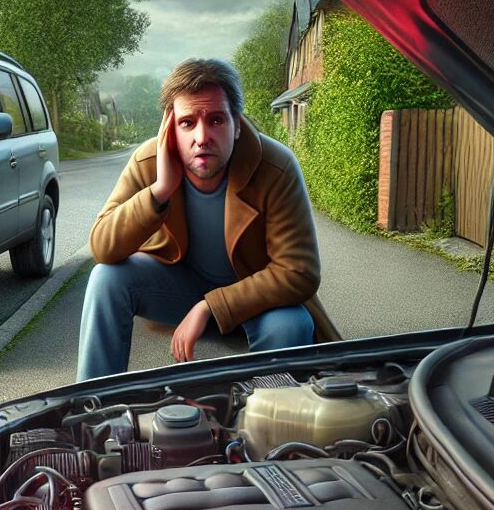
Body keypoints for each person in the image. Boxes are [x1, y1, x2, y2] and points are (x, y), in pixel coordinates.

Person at [76, 58, 340, 381]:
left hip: (256, 301)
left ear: (237, 124)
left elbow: (300, 272)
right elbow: (102, 245)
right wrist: (159, 191)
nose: (202, 137)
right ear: (170, 128)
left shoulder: (277, 167)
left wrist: (211, 306)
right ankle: (92, 407)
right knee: (106, 278)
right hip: (180, 288)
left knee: (293, 325)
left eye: (216, 119)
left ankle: (261, 417)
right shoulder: (149, 162)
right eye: (187, 123)